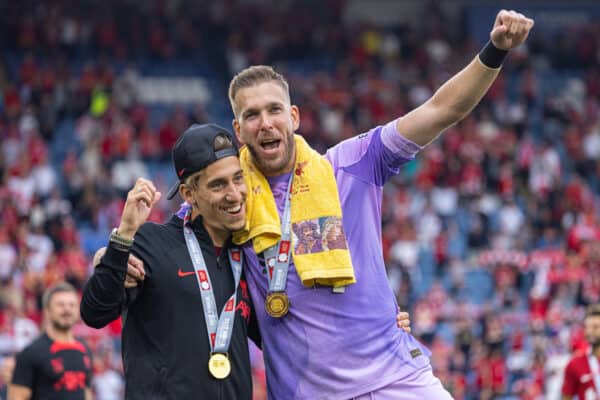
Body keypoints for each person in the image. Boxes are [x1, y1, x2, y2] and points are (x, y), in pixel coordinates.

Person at [219, 8, 534, 399]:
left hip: (397, 381)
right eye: (251, 115)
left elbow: (441, 110)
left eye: (274, 110)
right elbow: (174, 250)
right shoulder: (230, 199)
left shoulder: (353, 164)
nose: (265, 123)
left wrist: (495, 50)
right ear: (238, 129)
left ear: (294, 117)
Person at [80, 124, 260, 399]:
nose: (235, 194)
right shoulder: (152, 242)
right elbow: (95, 313)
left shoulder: (248, 254)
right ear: (189, 194)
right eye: (218, 184)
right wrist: (121, 242)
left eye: (238, 179)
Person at [8, 283, 93, 400]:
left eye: (72, 305)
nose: (67, 309)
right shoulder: (30, 353)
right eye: (60, 305)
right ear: (47, 311)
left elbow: (86, 393)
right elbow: (16, 397)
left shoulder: (84, 350)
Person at [562, 304, 600, 400]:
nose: (589, 331)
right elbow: (566, 397)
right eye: (587, 327)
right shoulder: (574, 363)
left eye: (595, 327)